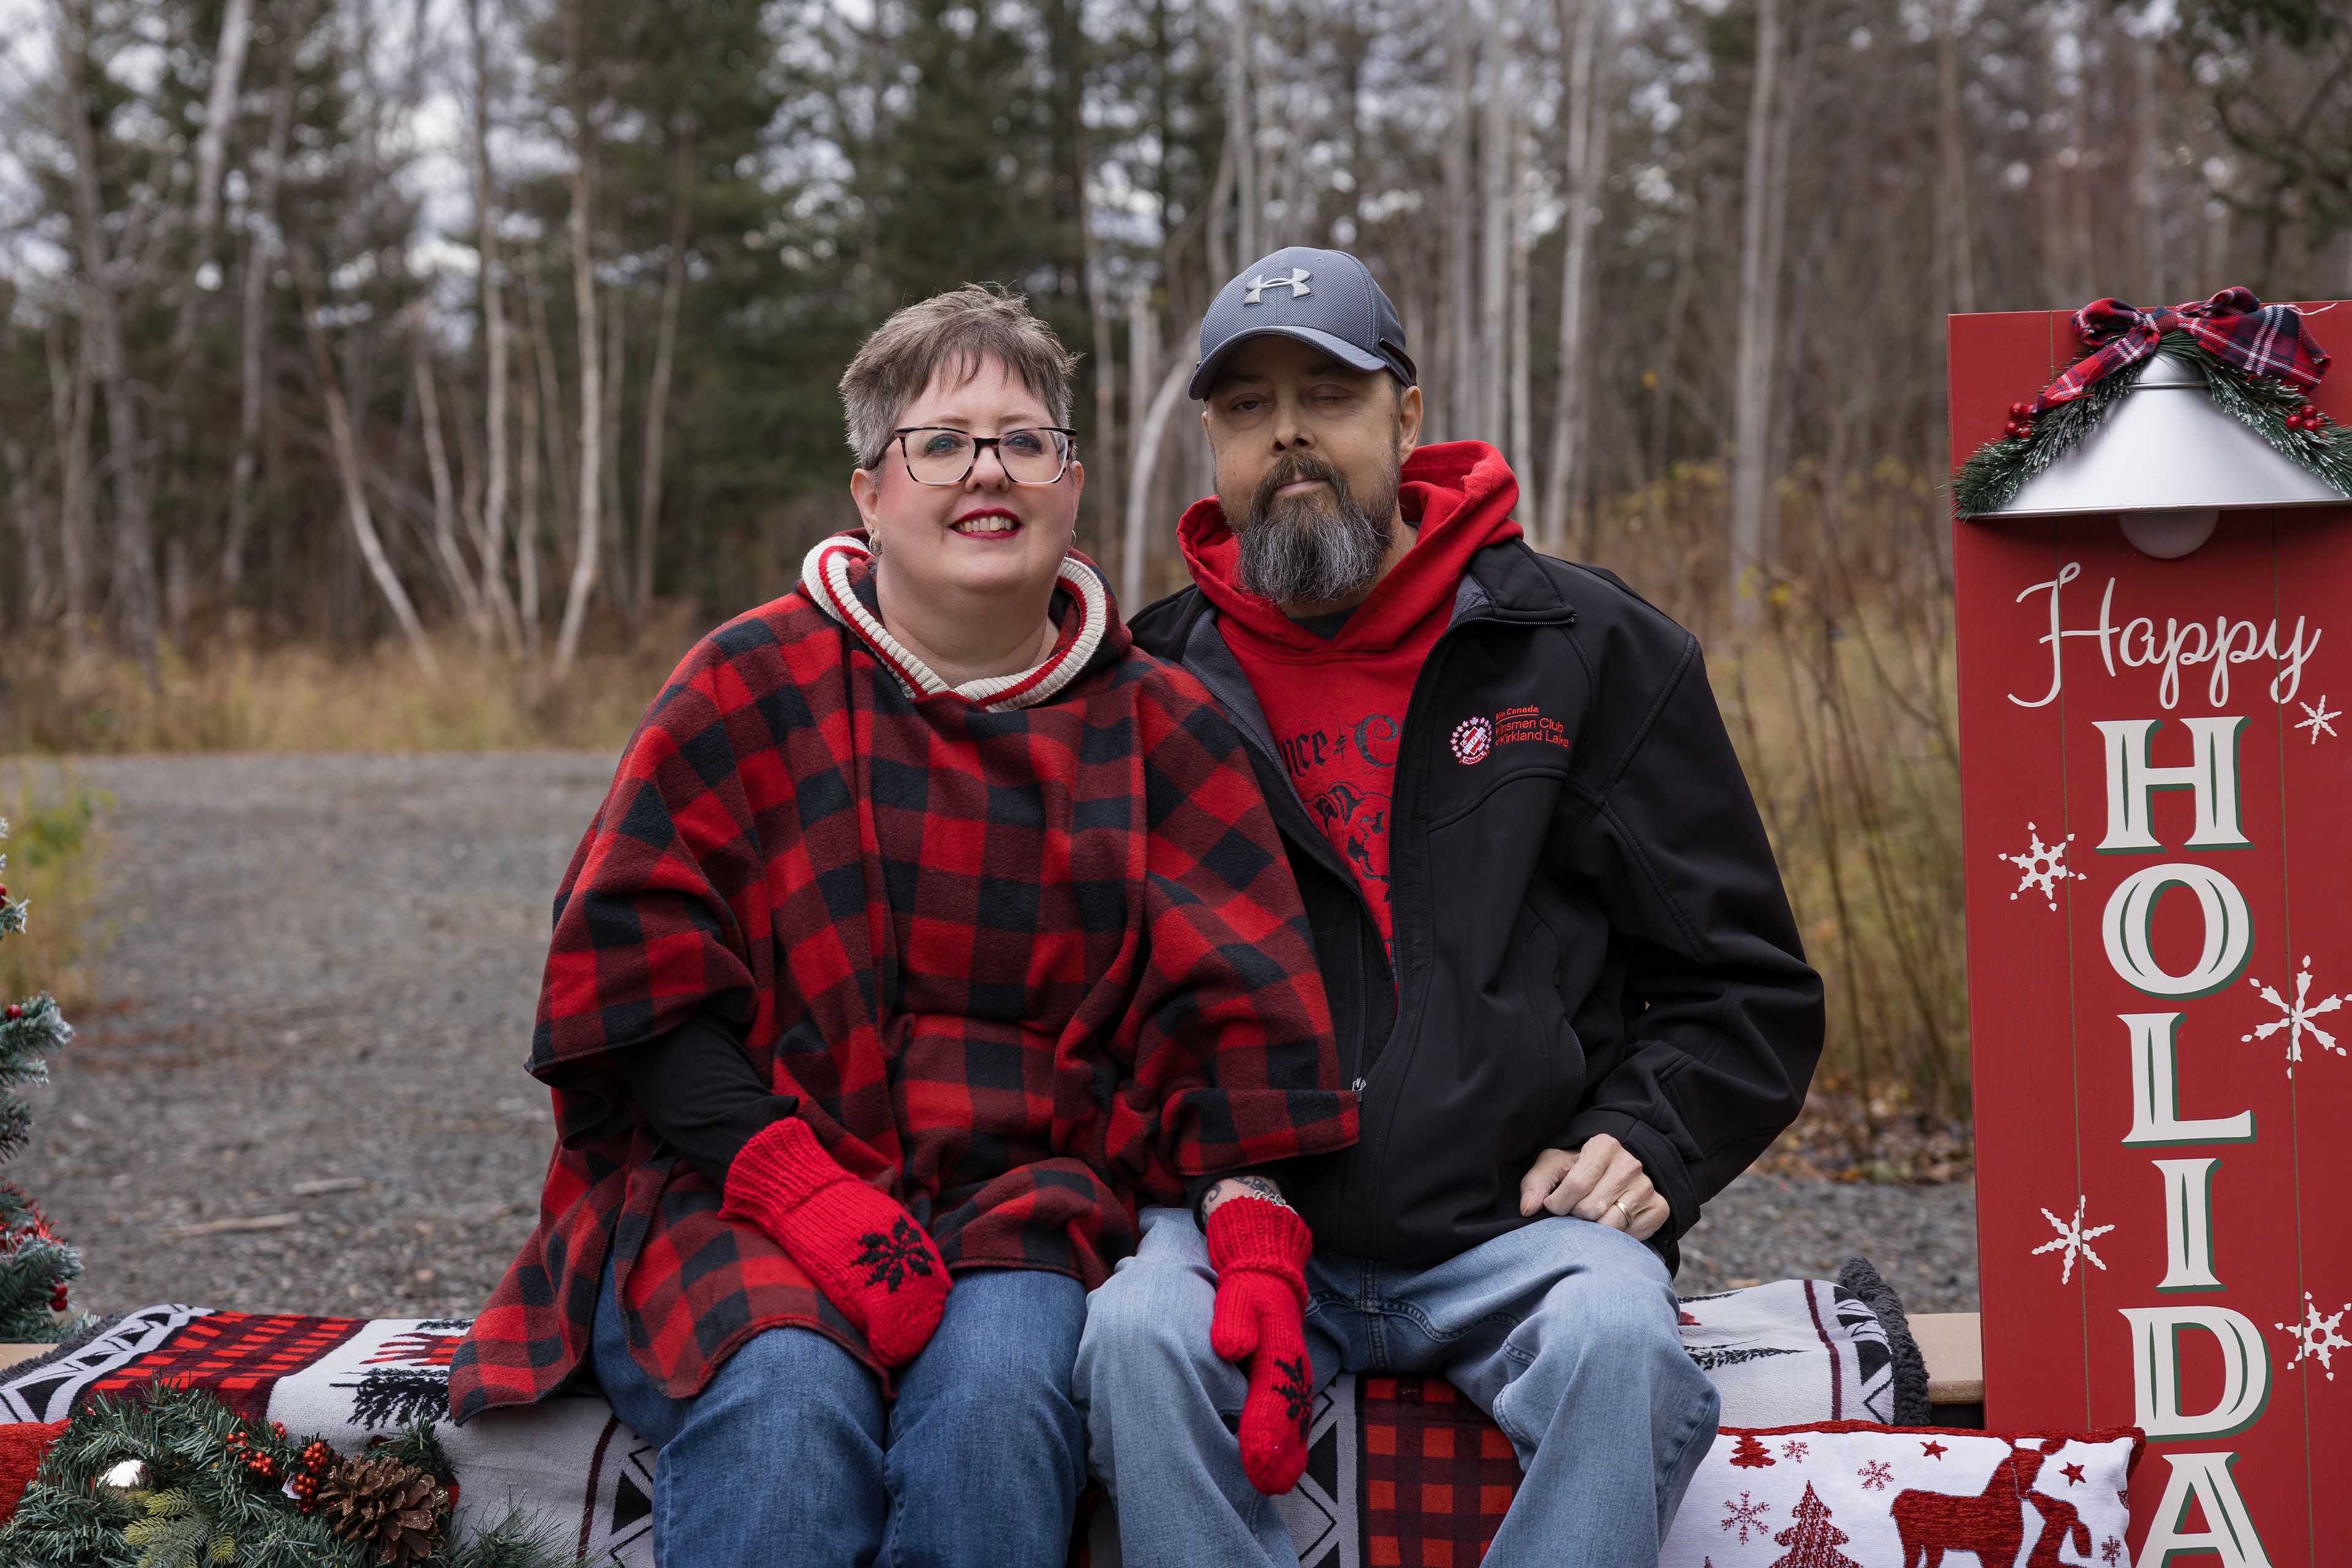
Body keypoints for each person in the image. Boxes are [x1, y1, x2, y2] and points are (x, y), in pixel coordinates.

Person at [450, 284, 1358, 1567]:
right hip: (744, 1192)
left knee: (997, 1408)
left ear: (1071, 487)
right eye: (942, 442)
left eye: (1024, 441)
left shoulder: (1164, 726)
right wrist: (795, 1185)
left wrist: (1255, 1232)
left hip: (1027, 1208)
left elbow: (1238, 1027)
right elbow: (633, 984)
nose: (988, 471)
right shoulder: (744, 683)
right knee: (783, 1404)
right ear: (871, 494)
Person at [1072, 247, 1825, 1568]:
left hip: (1518, 1236)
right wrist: (1207, 1178)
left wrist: (1650, 1134)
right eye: (1248, 406)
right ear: (1212, 443)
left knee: (1622, 1345)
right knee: (1132, 1339)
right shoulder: (1146, 684)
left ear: (1406, 415)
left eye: (1329, 394)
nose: (1289, 433)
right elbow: (1092, 1003)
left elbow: (1746, 984)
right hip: (1248, 1229)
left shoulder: (1586, 650)